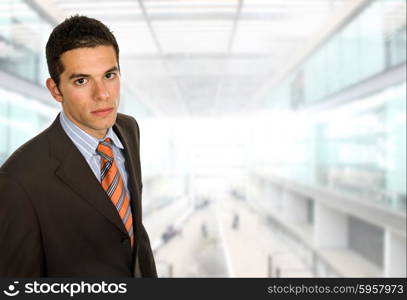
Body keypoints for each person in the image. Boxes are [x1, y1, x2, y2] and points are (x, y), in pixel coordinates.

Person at [0, 15, 157, 277]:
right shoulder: (18, 181)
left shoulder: (128, 131)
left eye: (109, 75)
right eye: (82, 81)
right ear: (55, 90)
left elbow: (130, 233)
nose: (102, 94)